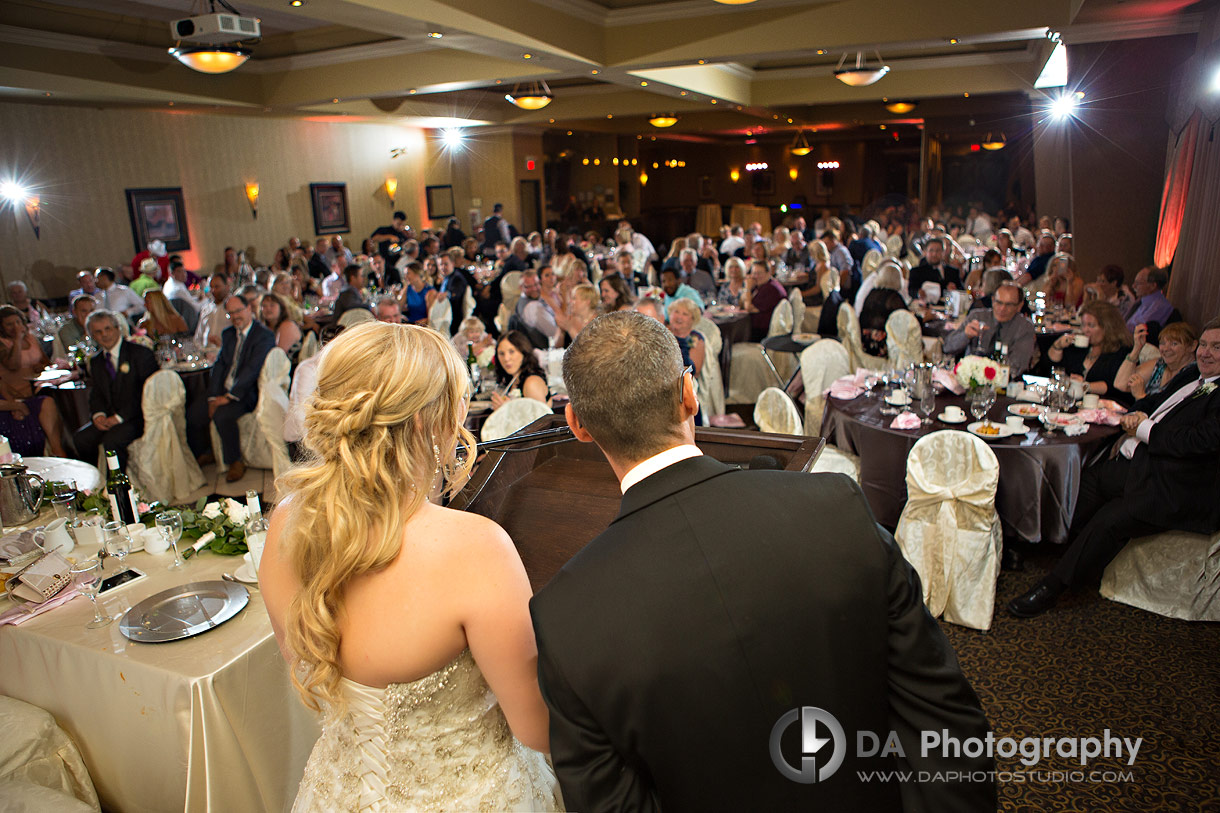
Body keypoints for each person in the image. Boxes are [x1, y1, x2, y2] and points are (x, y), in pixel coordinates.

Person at [530, 311, 995, 811]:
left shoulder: (564, 616)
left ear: (576, 424)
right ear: (690, 395)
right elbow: (944, 721)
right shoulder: (836, 508)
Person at [259, 323, 560, 811]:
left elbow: (309, 662)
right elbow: (538, 726)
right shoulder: (475, 549)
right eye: (458, 402)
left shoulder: (286, 523)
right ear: (426, 422)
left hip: (337, 793)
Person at [1010, 317, 1220, 617]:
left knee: (1110, 519)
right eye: (1204, 345)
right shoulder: (1193, 376)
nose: (1206, 353)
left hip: (1178, 487)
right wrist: (1134, 414)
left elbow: (1200, 440)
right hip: (1146, 467)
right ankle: (1051, 549)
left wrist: (1145, 429)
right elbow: (1158, 401)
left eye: (1217, 347)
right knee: (1088, 481)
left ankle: (1052, 587)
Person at [74, 309, 158, 469]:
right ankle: (95, 482)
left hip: (138, 416)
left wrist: (119, 417)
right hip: (109, 417)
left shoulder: (140, 354)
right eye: (98, 332)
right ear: (92, 336)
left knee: (112, 441)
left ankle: (120, 486)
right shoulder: (97, 361)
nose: (104, 335)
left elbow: (147, 394)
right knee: (81, 439)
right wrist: (98, 415)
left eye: (108, 329)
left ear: (118, 329)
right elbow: (96, 394)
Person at [207, 295, 276, 482]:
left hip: (248, 392)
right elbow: (220, 365)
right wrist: (213, 397)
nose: (235, 316)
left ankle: (235, 461)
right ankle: (209, 451)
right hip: (227, 387)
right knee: (195, 411)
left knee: (223, 414)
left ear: (249, 309)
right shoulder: (229, 334)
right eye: (230, 313)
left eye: (238, 311)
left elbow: (252, 370)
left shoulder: (263, 335)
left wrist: (229, 397)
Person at [1046, 300, 1134, 405]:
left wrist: (1084, 385)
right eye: (1083, 325)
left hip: (1104, 406)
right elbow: (1052, 369)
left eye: (1091, 326)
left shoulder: (1121, 351)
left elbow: (1114, 386)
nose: (1085, 330)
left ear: (1108, 328)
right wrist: (1058, 346)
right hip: (1075, 404)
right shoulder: (1080, 348)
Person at [942, 281, 1037, 375]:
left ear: (1019, 306)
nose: (1002, 308)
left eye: (1009, 304)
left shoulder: (1025, 327)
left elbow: (1017, 367)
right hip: (969, 377)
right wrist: (965, 335)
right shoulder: (977, 316)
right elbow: (947, 348)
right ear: (992, 300)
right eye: (999, 302)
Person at [1115, 321, 1198, 399]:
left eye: (1174, 344)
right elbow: (1121, 384)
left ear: (1192, 346)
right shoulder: (1160, 365)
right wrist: (1137, 349)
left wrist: (1141, 396)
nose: (1165, 349)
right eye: (1162, 343)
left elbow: (1166, 410)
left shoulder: (1193, 374)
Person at [859, 265, 908, 357]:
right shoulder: (894, 298)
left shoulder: (872, 293)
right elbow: (907, 320)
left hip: (864, 343)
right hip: (883, 346)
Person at [491, 331, 548, 409]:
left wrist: (507, 411)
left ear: (523, 352)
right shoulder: (513, 379)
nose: (506, 358)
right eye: (501, 353)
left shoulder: (531, 383)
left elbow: (542, 419)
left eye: (511, 352)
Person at [741, 259, 786, 342]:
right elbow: (742, 303)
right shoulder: (761, 285)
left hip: (762, 332)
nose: (756, 276)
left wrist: (747, 288)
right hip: (756, 328)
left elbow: (748, 308)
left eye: (759, 273)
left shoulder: (771, 288)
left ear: (768, 273)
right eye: (754, 273)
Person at [1124, 265, 1174, 332]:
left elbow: (1139, 329)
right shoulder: (1140, 302)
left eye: (1138, 283)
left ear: (1153, 286)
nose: (1133, 286)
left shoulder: (1160, 306)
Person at [259, 293, 303, 360]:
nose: (268, 308)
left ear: (281, 308)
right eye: (264, 306)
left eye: (272, 305)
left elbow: (278, 356)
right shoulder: (264, 328)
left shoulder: (287, 326)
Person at [194, 272, 231, 350]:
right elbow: (198, 337)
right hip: (206, 353)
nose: (213, 290)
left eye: (217, 287)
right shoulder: (206, 309)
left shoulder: (232, 308)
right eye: (211, 287)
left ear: (227, 287)